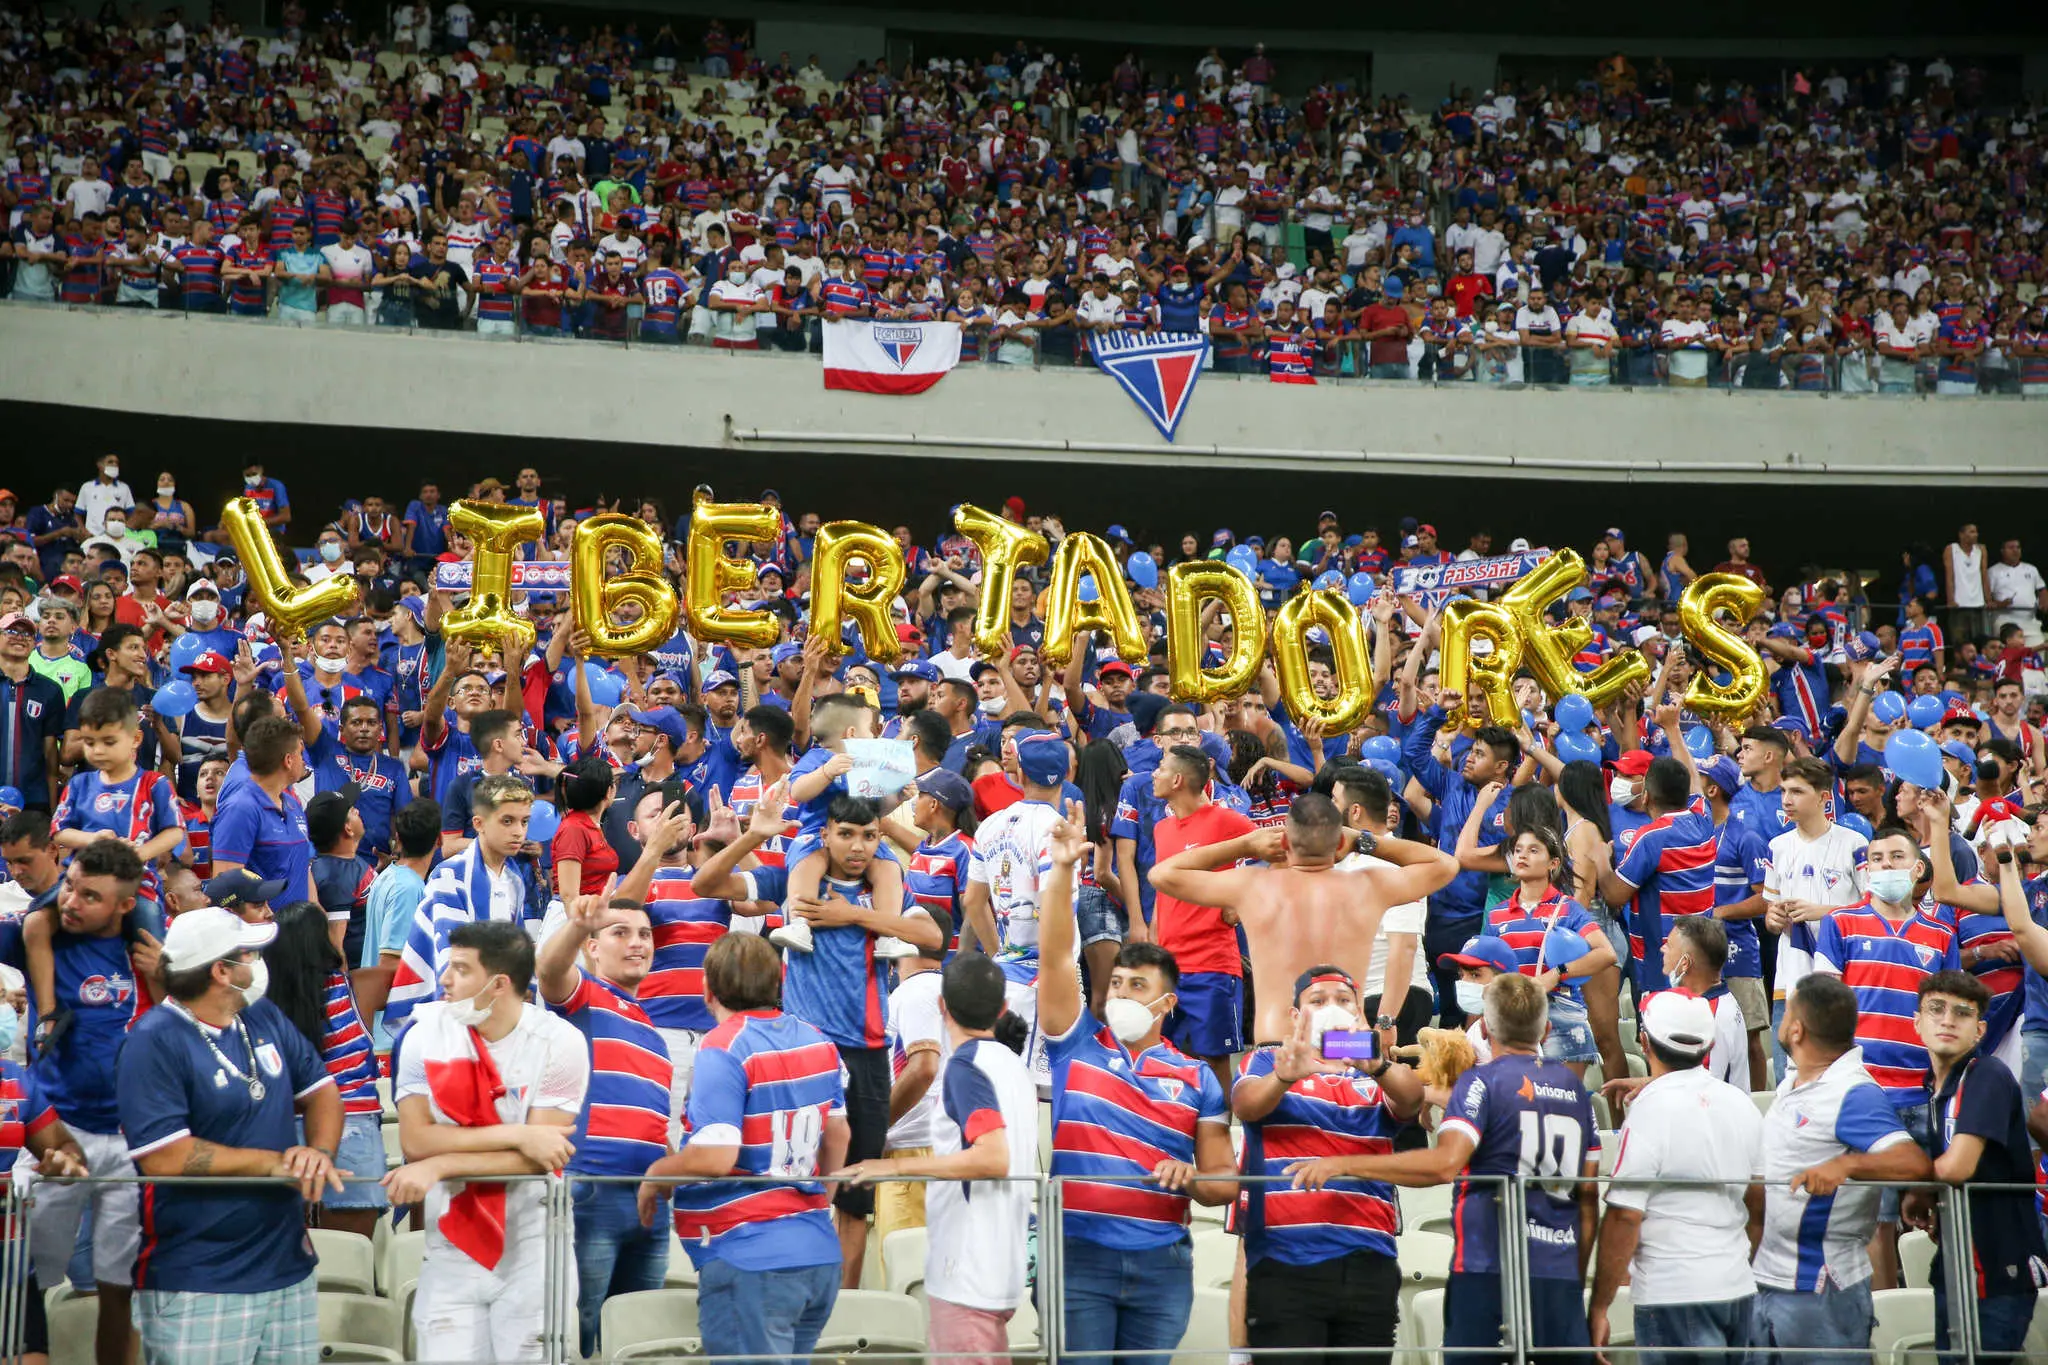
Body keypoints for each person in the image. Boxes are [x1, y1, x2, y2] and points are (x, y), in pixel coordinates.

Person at [1287, 971, 1598, 1365]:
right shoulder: (1576, 1093)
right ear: (1547, 1027)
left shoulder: (1482, 1081)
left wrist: (1345, 1164)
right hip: (1559, 1273)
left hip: (1488, 1267)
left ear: (1484, 1027)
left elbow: (1444, 1163)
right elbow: (1588, 1199)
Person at [1038, 799, 1236, 1365]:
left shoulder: (1198, 1076)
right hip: (1077, 1256)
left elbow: (1224, 1183)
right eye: (1118, 983)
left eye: (1137, 986)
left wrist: (1192, 1178)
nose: (1121, 994)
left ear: (1168, 1003)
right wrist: (1060, 874)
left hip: (1163, 1265)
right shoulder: (1075, 1046)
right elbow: (1055, 959)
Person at [118, 906, 345, 1365]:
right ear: (221, 971)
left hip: (286, 1265)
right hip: (200, 1277)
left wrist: (317, 1153)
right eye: (249, 953)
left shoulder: (262, 1016)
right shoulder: (152, 1040)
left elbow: (323, 1094)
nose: (259, 960)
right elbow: (163, 1157)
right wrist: (272, 1163)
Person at [638, 933, 848, 1365]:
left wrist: (657, 1174)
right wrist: (809, 1206)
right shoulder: (818, 1041)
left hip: (749, 1256)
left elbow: (716, 1157)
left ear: (707, 989)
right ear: (780, 981)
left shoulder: (724, 1046)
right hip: (817, 1252)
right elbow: (839, 1136)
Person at [385, 919, 587, 1364]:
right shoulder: (424, 1034)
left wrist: (441, 1165)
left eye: (460, 969)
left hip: (535, 1244)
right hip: (450, 1243)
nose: (444, 979)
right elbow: (417, 1140)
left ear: (498, 984)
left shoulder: (561, 1042)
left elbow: (543, 1157)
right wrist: (518, 1134)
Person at [1147, 792, 1460, 1050]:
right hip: (1347, 1042)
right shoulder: (1369, 886)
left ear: (1283, 843)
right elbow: (1446, 864)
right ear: (1339, 844)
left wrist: (1246, 844)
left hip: (1280, 1040)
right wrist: (1363, 841)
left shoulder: (1253, 886)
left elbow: (1162, 874)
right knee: (1350, 1126)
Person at [844, 950, 1038, 1362]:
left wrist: (893, 1164)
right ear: (1002, 1008)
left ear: (941, 1006)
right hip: (1000, 1266)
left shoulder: (967, 1069)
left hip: (968, 1272)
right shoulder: (1012, 1066)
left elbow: (992, 1158)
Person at [10, 839, 154, 1365]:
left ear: (123, 905)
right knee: (19, 1274)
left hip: (131, 1140)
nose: (71, 902)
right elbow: (34, 922)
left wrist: (163, 976)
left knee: (120, 1287)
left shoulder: (147, 949)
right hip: (53, 1132)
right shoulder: (39, 934)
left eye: (89, 896)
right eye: (69, 885)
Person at [1233, 965, 1422, 1365]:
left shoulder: (1375, 1075)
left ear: (1358, 1012)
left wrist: (1378, 1066)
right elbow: (1246, 1106)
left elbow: (1411, 1101)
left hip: (1370, 1261)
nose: (1330, 1008)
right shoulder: (1269, 1061)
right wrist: (1284, 1078)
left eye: (1342, 1001)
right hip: (1285, 1262)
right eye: (1317, 1001)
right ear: (1295, 1015)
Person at [1750, 974, 1932, 1365]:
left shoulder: (1853, 1092)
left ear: (1795, 1029)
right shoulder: (1795, 1082)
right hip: (1769, 1281)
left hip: (1821, 1290)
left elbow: (1913, 1162)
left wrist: (1846, 1164)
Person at [1589, 990, 1764, 1365]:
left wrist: (1600, 1306)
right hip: (1737, 1288)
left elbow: (1625, 1216)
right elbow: (1758, 1207)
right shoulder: (1741, 1105)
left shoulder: (1650, 1110)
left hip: (1674, 1293)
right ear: (1710, 1044)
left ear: (1643, 1041)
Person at [537, 892, 675, 1359]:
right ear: (592, 948)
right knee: (578, 1335)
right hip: (590, 1190)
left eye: (644, 934)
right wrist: (577, 927)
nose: (637, 944)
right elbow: (549, 973)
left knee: (637, 1339)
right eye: (620, 933)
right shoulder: (586, 999)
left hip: (648, 1204)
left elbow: (654, 1122)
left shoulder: (654, 1030)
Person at [1901, 967, 2048, 1359]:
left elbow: (1956, 1168)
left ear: (1980, 1030)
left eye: (1963, 1013)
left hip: (1999, 1272)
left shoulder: (1986, 1075)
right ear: (1917, 1022)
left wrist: (1913, 1181)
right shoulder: (1933, 1088)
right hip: (1955, 1269)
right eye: (1936, 1009)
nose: (1948, 1020)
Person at [260, 900, 388, 1239]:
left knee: (285, 1264)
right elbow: (423, 971)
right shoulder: (361, 987)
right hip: (352, 1128)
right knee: (350, 1266)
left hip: (278, 1135)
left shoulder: (259, 1006)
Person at [384, 773, 535, 1029]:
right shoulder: (449, 875)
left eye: (524, 822)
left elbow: (516, 950)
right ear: (479, 823)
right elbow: (451, 959)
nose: (518, 832)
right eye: (507, 821)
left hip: (495, 1001)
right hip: (448, 1010)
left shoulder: (515, 879)